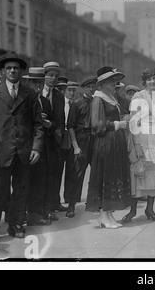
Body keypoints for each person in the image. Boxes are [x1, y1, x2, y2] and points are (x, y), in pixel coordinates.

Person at [0, 52, 43, 242]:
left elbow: (38, 124)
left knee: (21, 191)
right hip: (1, 152)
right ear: (3, 71)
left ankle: (16, 225)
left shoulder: (30, 93)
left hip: (24, 152)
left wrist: (36, 148)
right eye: (9, 68)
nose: (12, 70)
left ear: (21, 71)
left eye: (16, 68)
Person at [123, 67, 155, 223]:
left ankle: (150, 209)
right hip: (143, 138)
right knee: (140, 173)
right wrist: (137, 144)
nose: (152, 81)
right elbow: (134, 121)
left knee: (154, 175)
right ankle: (132, 210)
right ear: (144, 81)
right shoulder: (138, 96)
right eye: (149, 79)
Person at [86, 66, 131, 229]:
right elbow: (97, 125)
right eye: (111, 81)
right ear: (103, 83)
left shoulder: (110, 97)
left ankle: (109, 214)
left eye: (115, 81)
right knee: (107, 176)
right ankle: (103, 215)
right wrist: (117, 124)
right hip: (106, 143)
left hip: (115, 142)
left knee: (113, 176)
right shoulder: (98, 98)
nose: (115, 83)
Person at [21, 68, 54, 226]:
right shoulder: (22, 99)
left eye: (40, 82)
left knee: (41, 180)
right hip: (27, 146)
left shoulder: (45, 101)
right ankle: (23, 214)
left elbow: (53, 122)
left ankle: (36, 211)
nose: (37, 85)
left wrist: (48, 124)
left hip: (43, 146)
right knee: (25, 181)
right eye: (34, 82)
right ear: (28, 82)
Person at [64, 77, 97, 218]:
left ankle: (94, 203)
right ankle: (71, 205)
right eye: (88, 87)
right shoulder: (76, 104)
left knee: (96, 172)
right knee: (76, 173)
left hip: (95, 139)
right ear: (83, 88)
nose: (91, 89)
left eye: (93, 87)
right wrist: (76, 146)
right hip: (81, 139)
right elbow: (70, 126)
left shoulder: (98, 102)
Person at [42, 61, 66, 220]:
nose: (53, 78)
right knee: (42, 174)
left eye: (56, 76)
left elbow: (60, 119)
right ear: (44, 76)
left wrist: (53, 126)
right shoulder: (35, 92)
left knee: (56, 172)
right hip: (40, 139)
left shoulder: (58, 95)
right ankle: (44, 207)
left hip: (54, 138)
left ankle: (54, 202)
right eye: (50, 75)